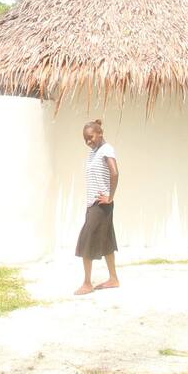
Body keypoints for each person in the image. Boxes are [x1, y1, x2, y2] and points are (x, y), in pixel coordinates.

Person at [74, 119, 119, 295]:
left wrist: (110, 196)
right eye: (85, 139)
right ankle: (113, 279)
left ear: (100, 133)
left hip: (100, 205)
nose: (88, 141)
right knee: (106, 241)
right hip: (95, 204)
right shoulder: (94, 152)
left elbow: (114, 172)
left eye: (91, 137)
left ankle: (87, 283)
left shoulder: (106, 149)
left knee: (85, 241)